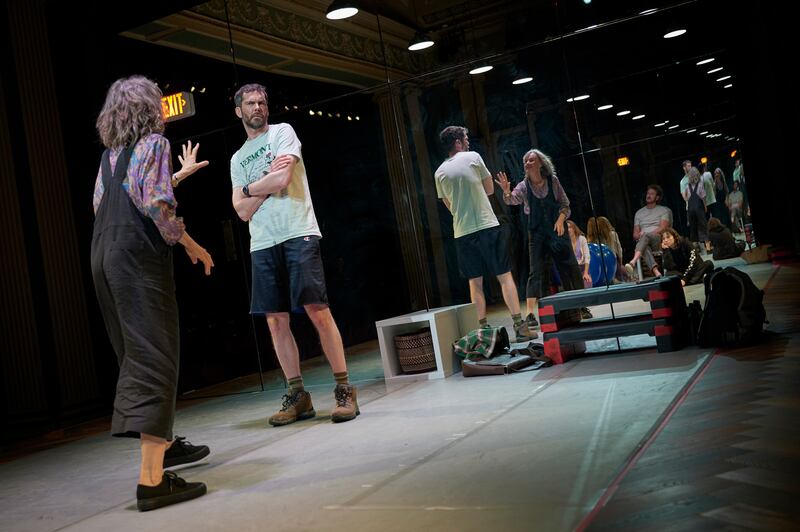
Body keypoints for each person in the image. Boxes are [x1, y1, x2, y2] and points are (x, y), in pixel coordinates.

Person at [91, 76, 214, 511]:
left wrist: (176, 176)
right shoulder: (155, 145)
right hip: (137, 257)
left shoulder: (110, 158)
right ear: (148, 108)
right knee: (154, 355)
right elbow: (157, 206)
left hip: (103, 256)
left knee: (136, 352)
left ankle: (162, 445)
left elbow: (123, 197)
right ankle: (150, 481)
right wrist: (191, 244)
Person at [230, 83, 358, 427]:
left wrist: (249, 190)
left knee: (317, 311)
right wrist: (261, 185)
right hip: (262, 242)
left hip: (298, 231)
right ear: (239, 111)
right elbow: (240, 211)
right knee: (275, 320)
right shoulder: (238, 158)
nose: (258, 107)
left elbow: (284, 178)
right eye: (250, 103)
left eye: (262, 102)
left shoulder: (284, 132)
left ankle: (344, 389)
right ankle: (298, 396)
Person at [434, 126, 535, 340]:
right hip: (487, 225)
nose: (468, 142)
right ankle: (519, 326)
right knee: (505, 276)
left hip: (462, 232)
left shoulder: (439, 173)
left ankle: (483, 332)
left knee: (475, 282)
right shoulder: (473, 157)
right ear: (459, 142)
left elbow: (449, 205)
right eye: (466, 138)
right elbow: (490, 190)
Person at [496, 149, 584, 328]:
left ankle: (580, 305)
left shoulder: (553, 181)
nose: (527, 163)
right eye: (525, 161)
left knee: (569, 267)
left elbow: (565, 205)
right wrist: (506, 192)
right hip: (536, 232)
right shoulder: (524, 185)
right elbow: (512, 200)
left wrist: (561, 219)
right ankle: (529, 314)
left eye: (531, 160)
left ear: (541, 163)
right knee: (536, 271)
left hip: (557, 230)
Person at [624, 184, 672, 280]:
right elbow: (635, 234)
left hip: (657, 239)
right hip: (644, 241)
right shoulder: (639, 213)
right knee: (644, 244)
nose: (648, 195)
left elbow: (663, 228)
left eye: (652, 194)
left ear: (657, 197)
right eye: (648, 193)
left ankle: (633, 261)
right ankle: (656, 271)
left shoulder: (663, 210)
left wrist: (647, 234)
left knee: (644, 238)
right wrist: (640, 235)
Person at [567, 220, 593, 319]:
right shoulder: (565, 241)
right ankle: (576, 310)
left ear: (574, 228)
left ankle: (583, 308)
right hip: (571, 270)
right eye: (566, 228)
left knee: (585, 288)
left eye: (570, 227)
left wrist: (586, 273)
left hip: (582, 269)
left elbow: (587, 256)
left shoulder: (581, 239)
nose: (568, 230)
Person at [586, 216, 625, 281]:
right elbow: (619, 250)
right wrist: (621, 263)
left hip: (599, 263)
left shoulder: (592, 238)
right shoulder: (612, 234)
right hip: (612, 261)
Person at [683, 166, 711, 253]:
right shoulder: (700, 183)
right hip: (699, 207)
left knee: (693, 228)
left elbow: (687, 198)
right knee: (703, 226)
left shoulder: (687, 186)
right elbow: (703, 196)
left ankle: (695, 249)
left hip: (691, 209)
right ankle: (708, 248)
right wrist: (705, 206)